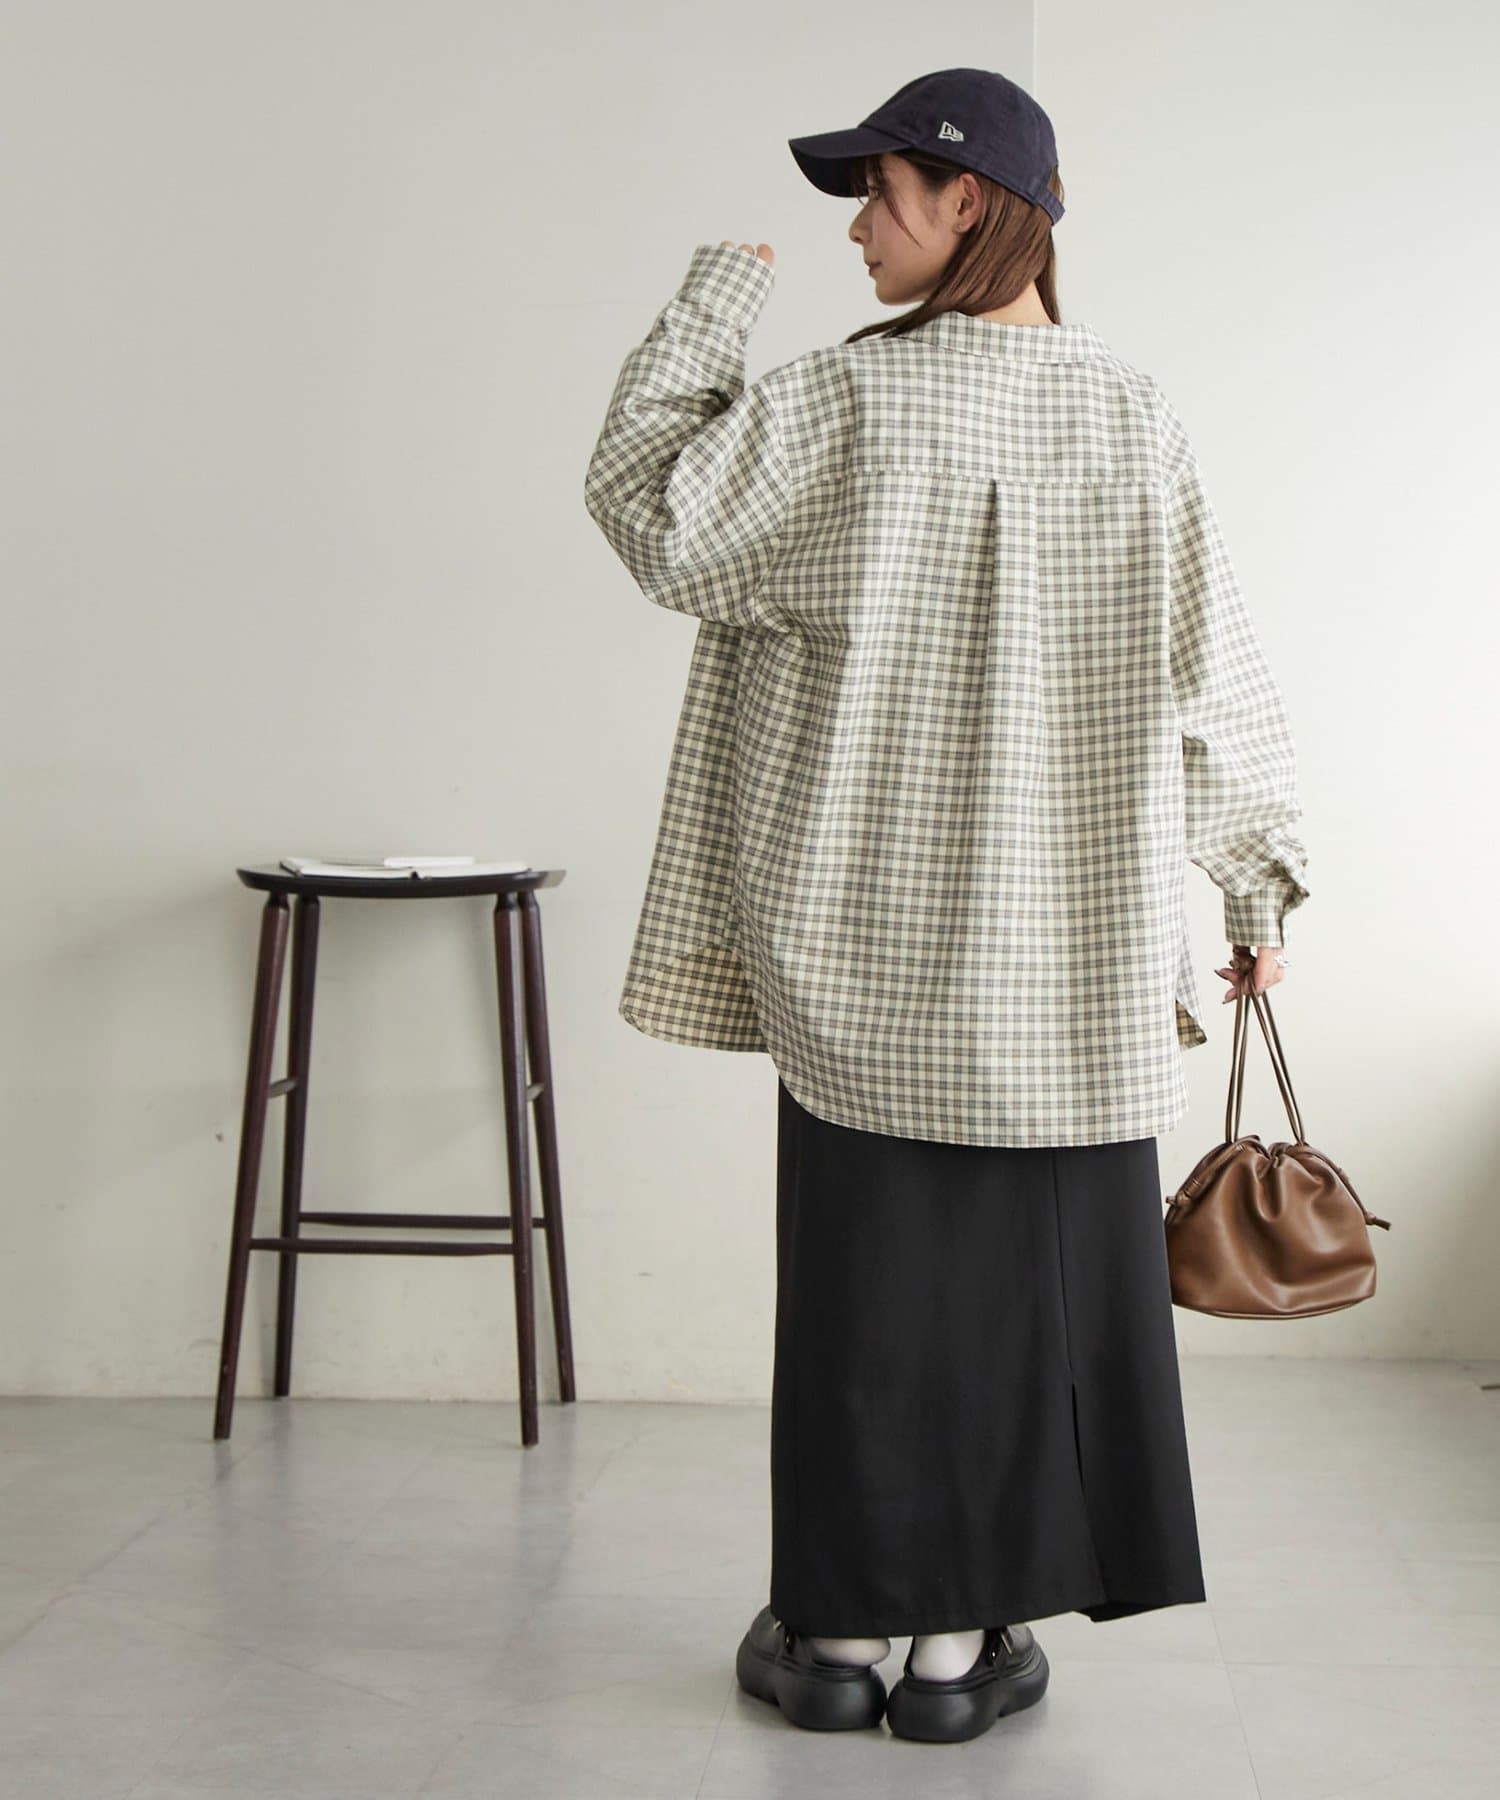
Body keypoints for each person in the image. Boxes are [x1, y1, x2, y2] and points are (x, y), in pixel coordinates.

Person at [583, 67, 1308, 1745]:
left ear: (968, 199)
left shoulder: (833, 404)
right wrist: (1255, 886)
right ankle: (957, 1656)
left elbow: (651, 509)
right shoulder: (1132, 415)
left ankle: (839, 1638)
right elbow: (1216, 674)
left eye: (880, 191)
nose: (858, 227)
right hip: (1068, 963)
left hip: (861, 954)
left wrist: (715, 297)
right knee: (1034, 1313)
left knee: (864, 1299)